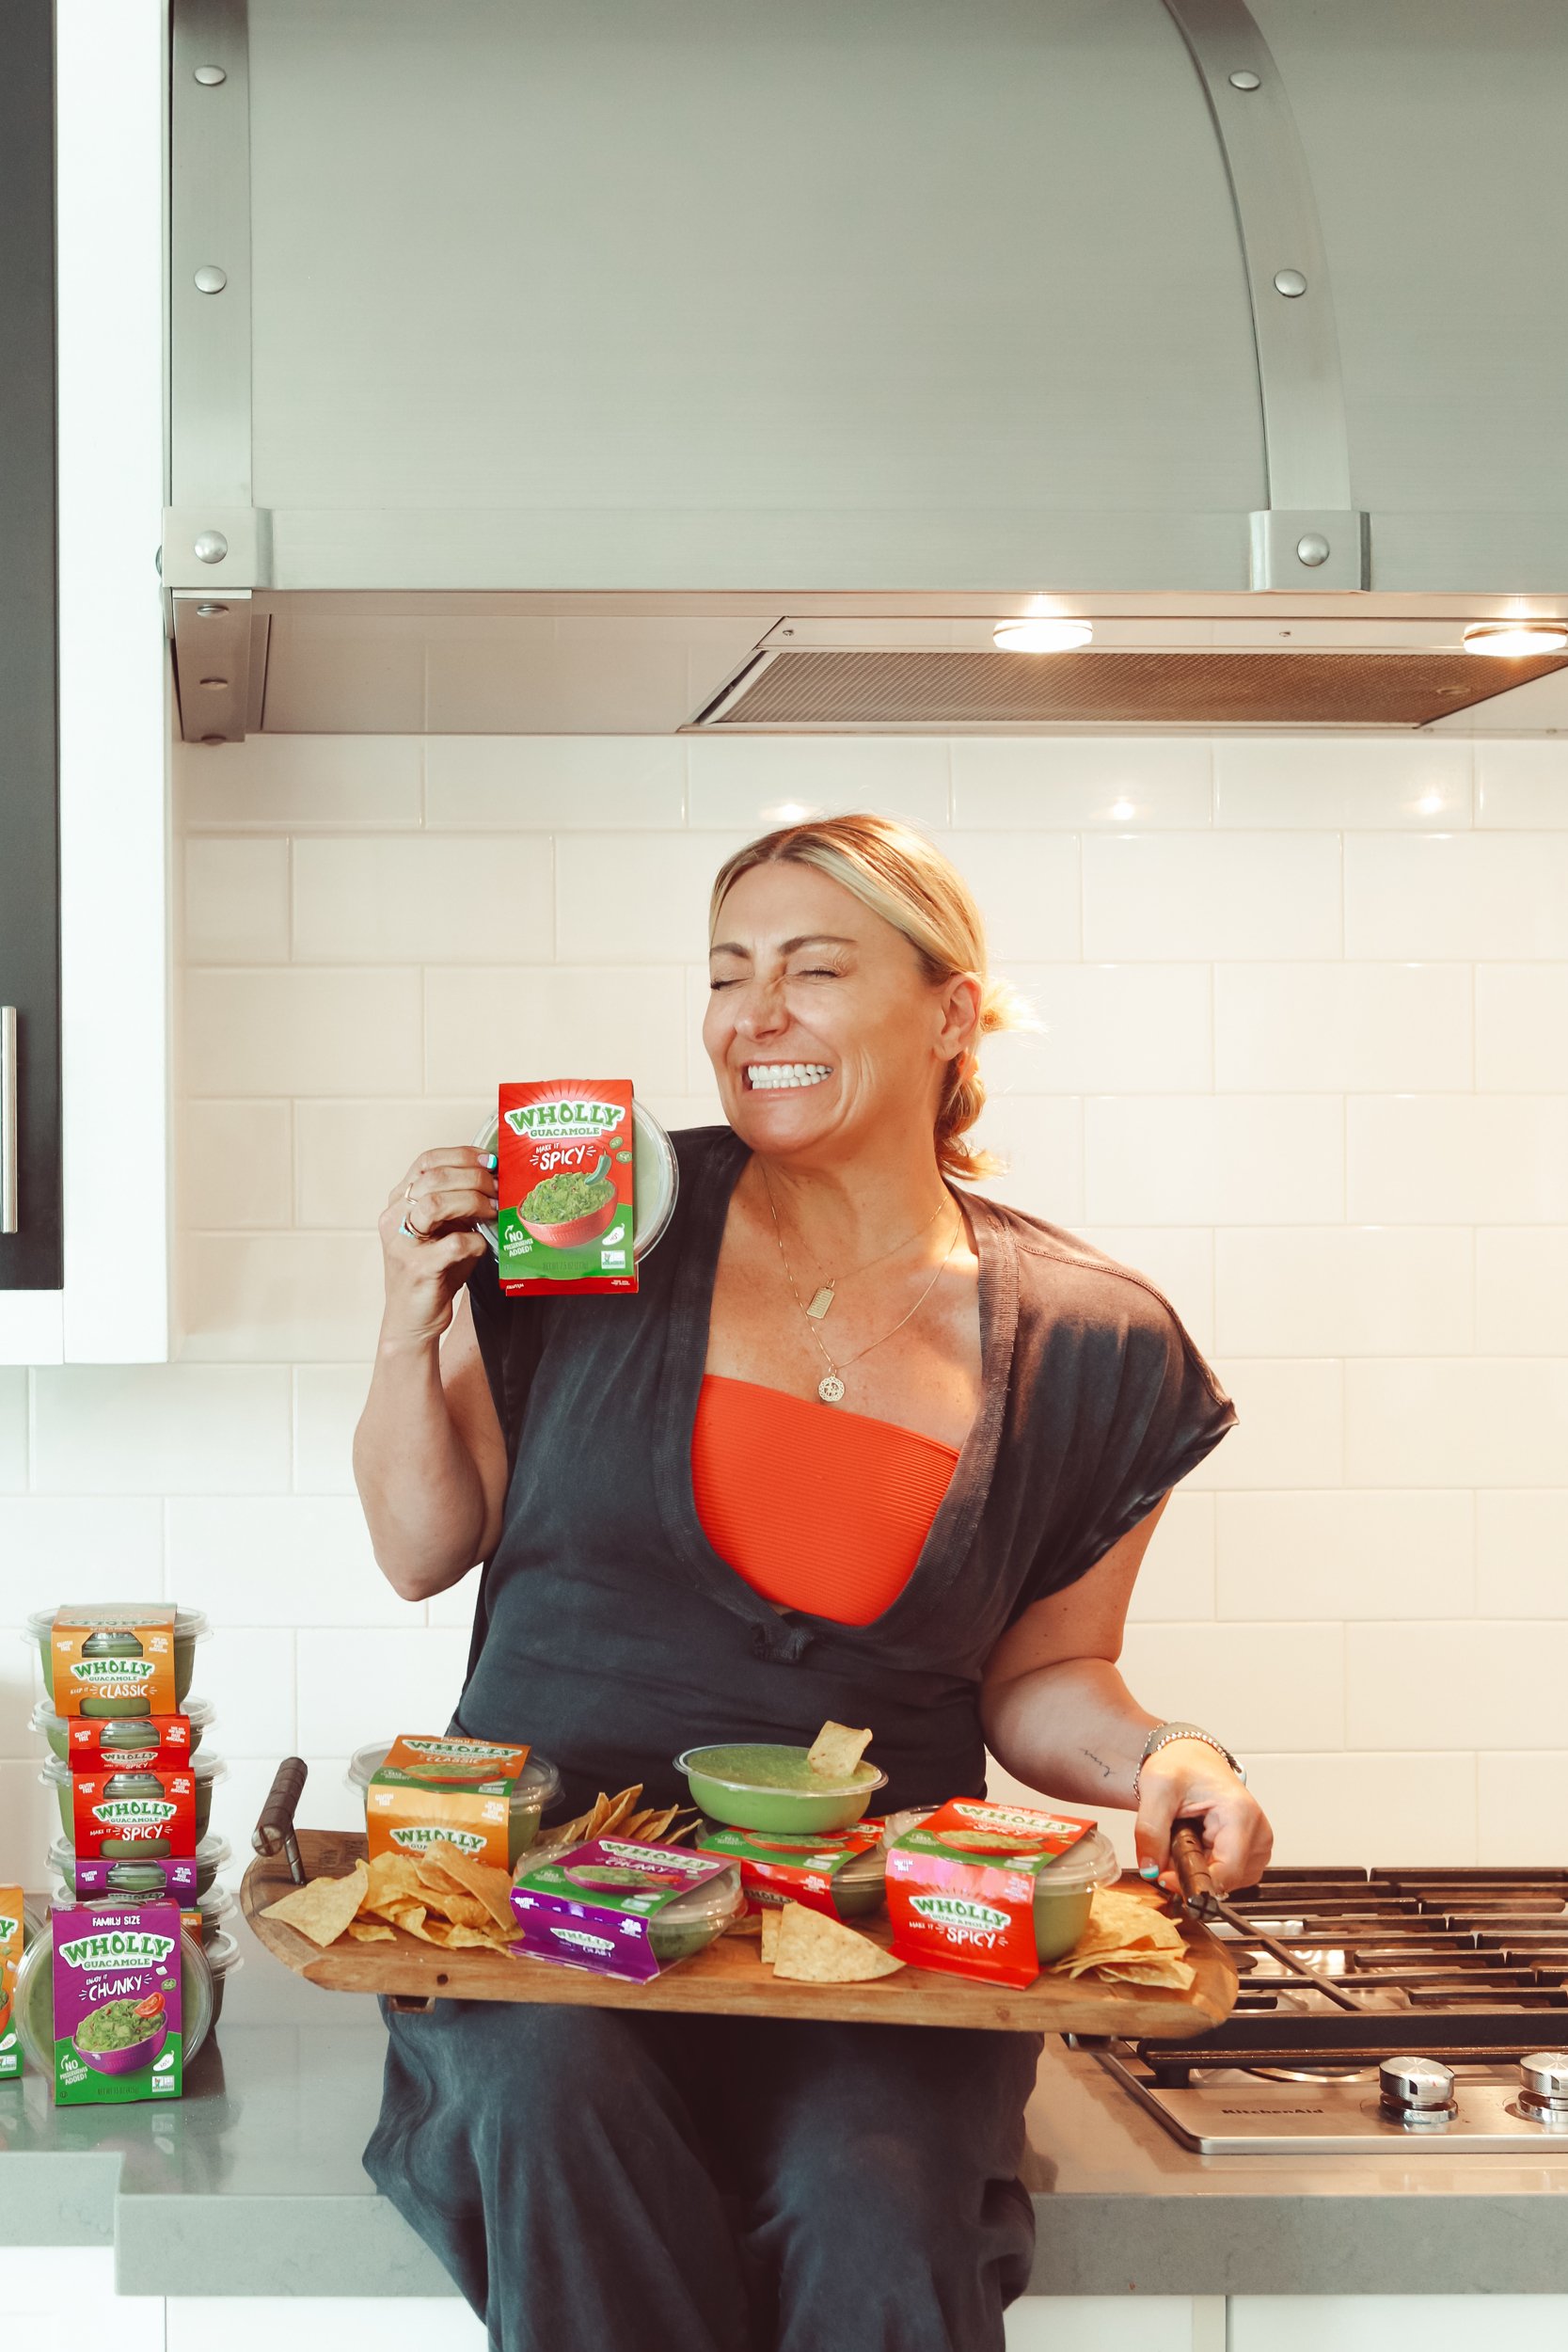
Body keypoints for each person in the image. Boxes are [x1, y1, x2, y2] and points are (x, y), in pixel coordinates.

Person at [353, 813, 1272, 2352]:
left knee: (875, 2190)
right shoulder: (595, 1239)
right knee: (555, 2103)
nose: (752, 1015)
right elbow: (419, 1547)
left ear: (952, 1012)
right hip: (545, 1923)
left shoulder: (1095, 1343)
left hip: (876, 1942)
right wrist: (406, 1316)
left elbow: (1048, 1681)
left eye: (814, 968)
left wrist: (1174, 1759)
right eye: (728, 974)